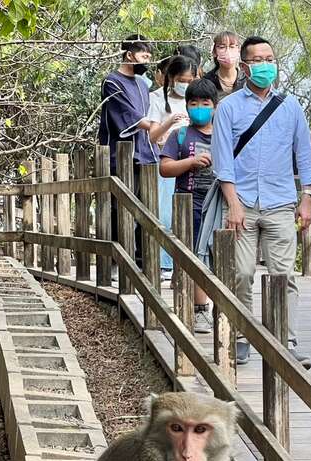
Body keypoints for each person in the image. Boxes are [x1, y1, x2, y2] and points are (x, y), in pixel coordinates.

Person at [211, 35, 311, 369]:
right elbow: (222, 159)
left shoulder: (291, 107)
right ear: (244, 66)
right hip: (242, 201)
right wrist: (233, 203)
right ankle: (242, 336)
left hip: (281, 202)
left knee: (283, 276)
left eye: (269, 58)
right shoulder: (228, 107)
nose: (265, 64)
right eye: (258, 59)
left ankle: (286, 341)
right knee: (241, 273)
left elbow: (304, 153)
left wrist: (308, 197)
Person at [160, 77, 220, 334]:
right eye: (193, 103)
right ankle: (198, 309)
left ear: (214, 105)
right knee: (195, 256)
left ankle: (224, 311)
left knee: (219, 255)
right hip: (189, 202)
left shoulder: (224, 133)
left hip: (218, 203)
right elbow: (164, 167)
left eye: (204, 103)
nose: (199, 107)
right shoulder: (180, 135)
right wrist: (191, 163)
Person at [98, 34, 160, 264]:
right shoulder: (112, 82)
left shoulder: (143, 86)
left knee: (146, 209)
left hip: (146, 153)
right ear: (129, 54)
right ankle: (118, 261)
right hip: (120, 154)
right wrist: (158, 126)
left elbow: (148, 118)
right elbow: (129, 117)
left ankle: (145, 262)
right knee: (120, 208)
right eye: (144, 55)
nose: (147, 60)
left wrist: (159, 132)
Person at [147, 54, 199, 279]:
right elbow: (152, 136)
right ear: (170, 77)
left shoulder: (196, 99)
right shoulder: (157, 98)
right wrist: (171, 122)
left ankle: (191, 261)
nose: (185, 84)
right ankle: (165, 265)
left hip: (194, 161)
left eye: (189, 80)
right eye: (181, 79)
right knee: (165, 213)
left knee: (192, 212)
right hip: (168, 159)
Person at [203, 31, 245, 96]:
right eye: (222, 47)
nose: (228, 51)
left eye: (232, 46)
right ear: (214, 52)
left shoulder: (246, 80)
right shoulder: (207, 81)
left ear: (238, 50)